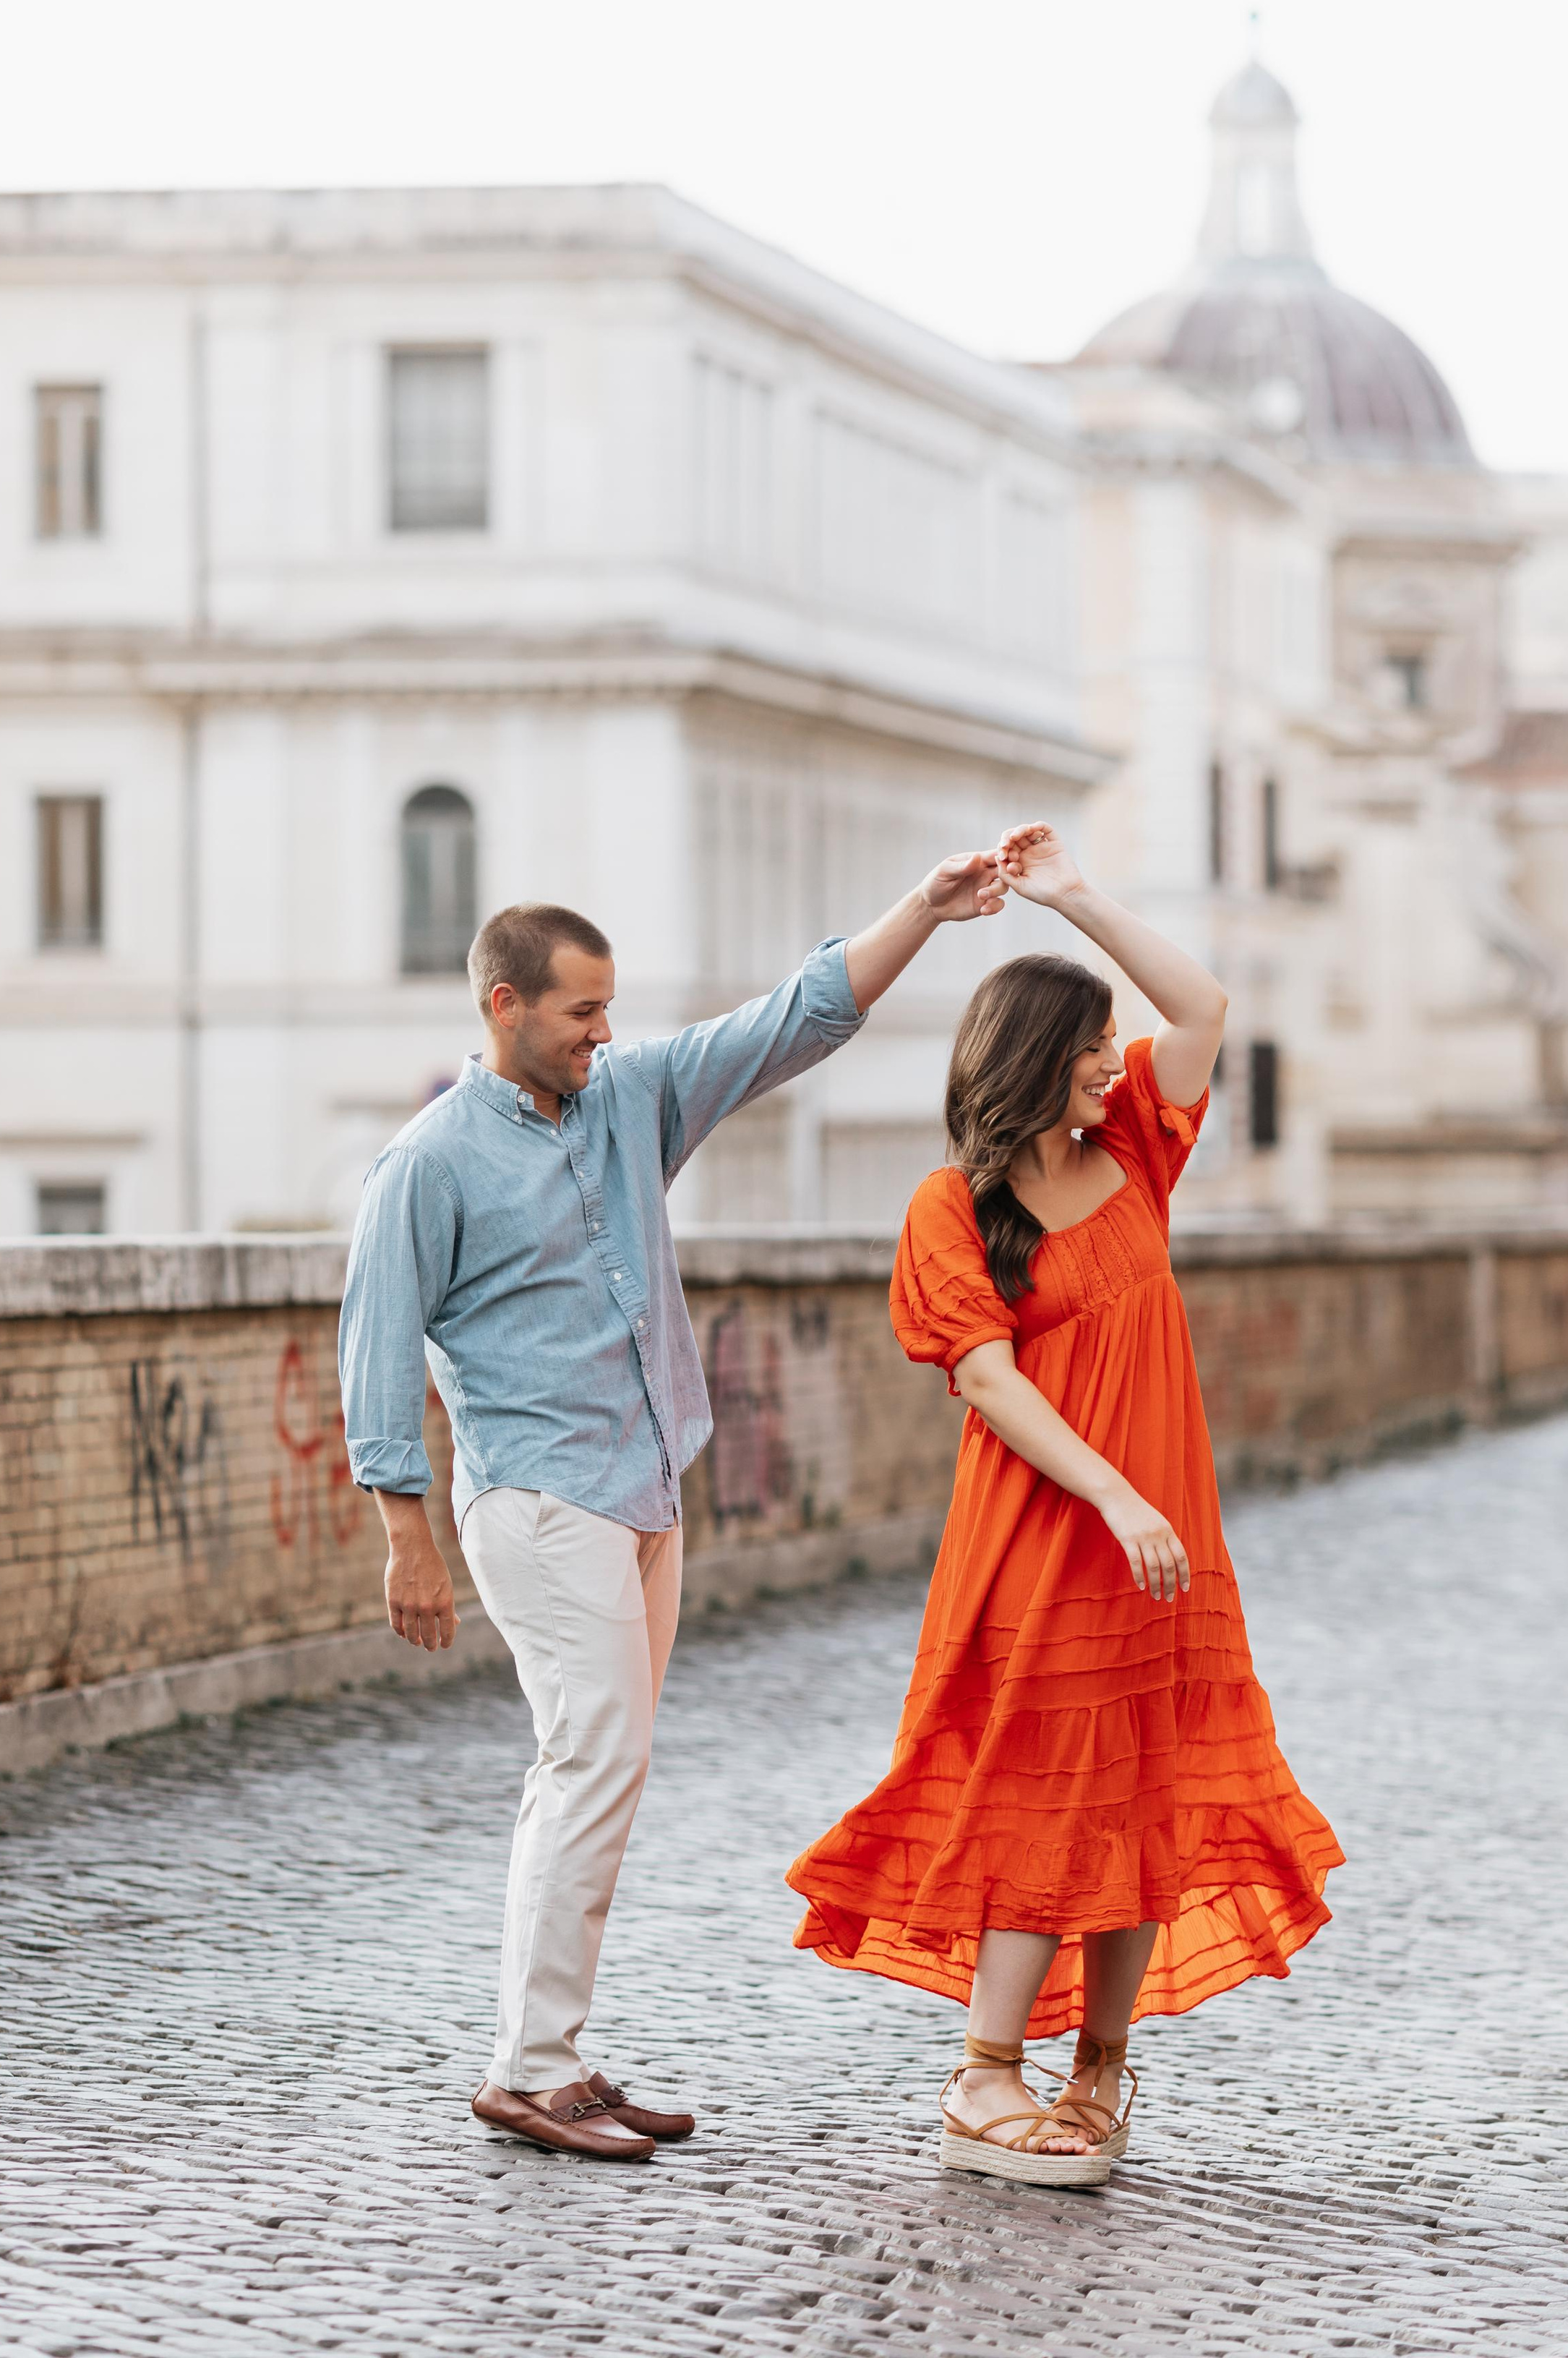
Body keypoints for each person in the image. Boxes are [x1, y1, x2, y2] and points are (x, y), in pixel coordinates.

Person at [339, 853, 1009, 2161]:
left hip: (647, 1486)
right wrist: (404, 1537)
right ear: (502, 1005)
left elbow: (793, 1020)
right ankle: (529, 2068)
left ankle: (560, 2056)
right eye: (581, 1012)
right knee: (586, 1759)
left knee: (610, 1769)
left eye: (609, 1010)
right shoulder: (427, 1164)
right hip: (537, 1499)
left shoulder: (630, 1100)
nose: (605, 1032)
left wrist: (923, 911)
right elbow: (377, 1343)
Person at [787, 822, 1344, 2189]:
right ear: (1037, 1058)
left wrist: (1075, 897)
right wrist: (1117, 1497)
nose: (1114, 1056)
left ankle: (1099, 2071)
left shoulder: (1142, 1147)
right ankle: (983, 2077)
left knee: (1144, 1782)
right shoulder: (952, 1209)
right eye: (1090, 1042)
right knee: (1038, 1781)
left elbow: (1205, 1005)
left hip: (1161, 1539)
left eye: (1111, 1040)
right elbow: (986, 1381)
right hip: (1054, 1535)